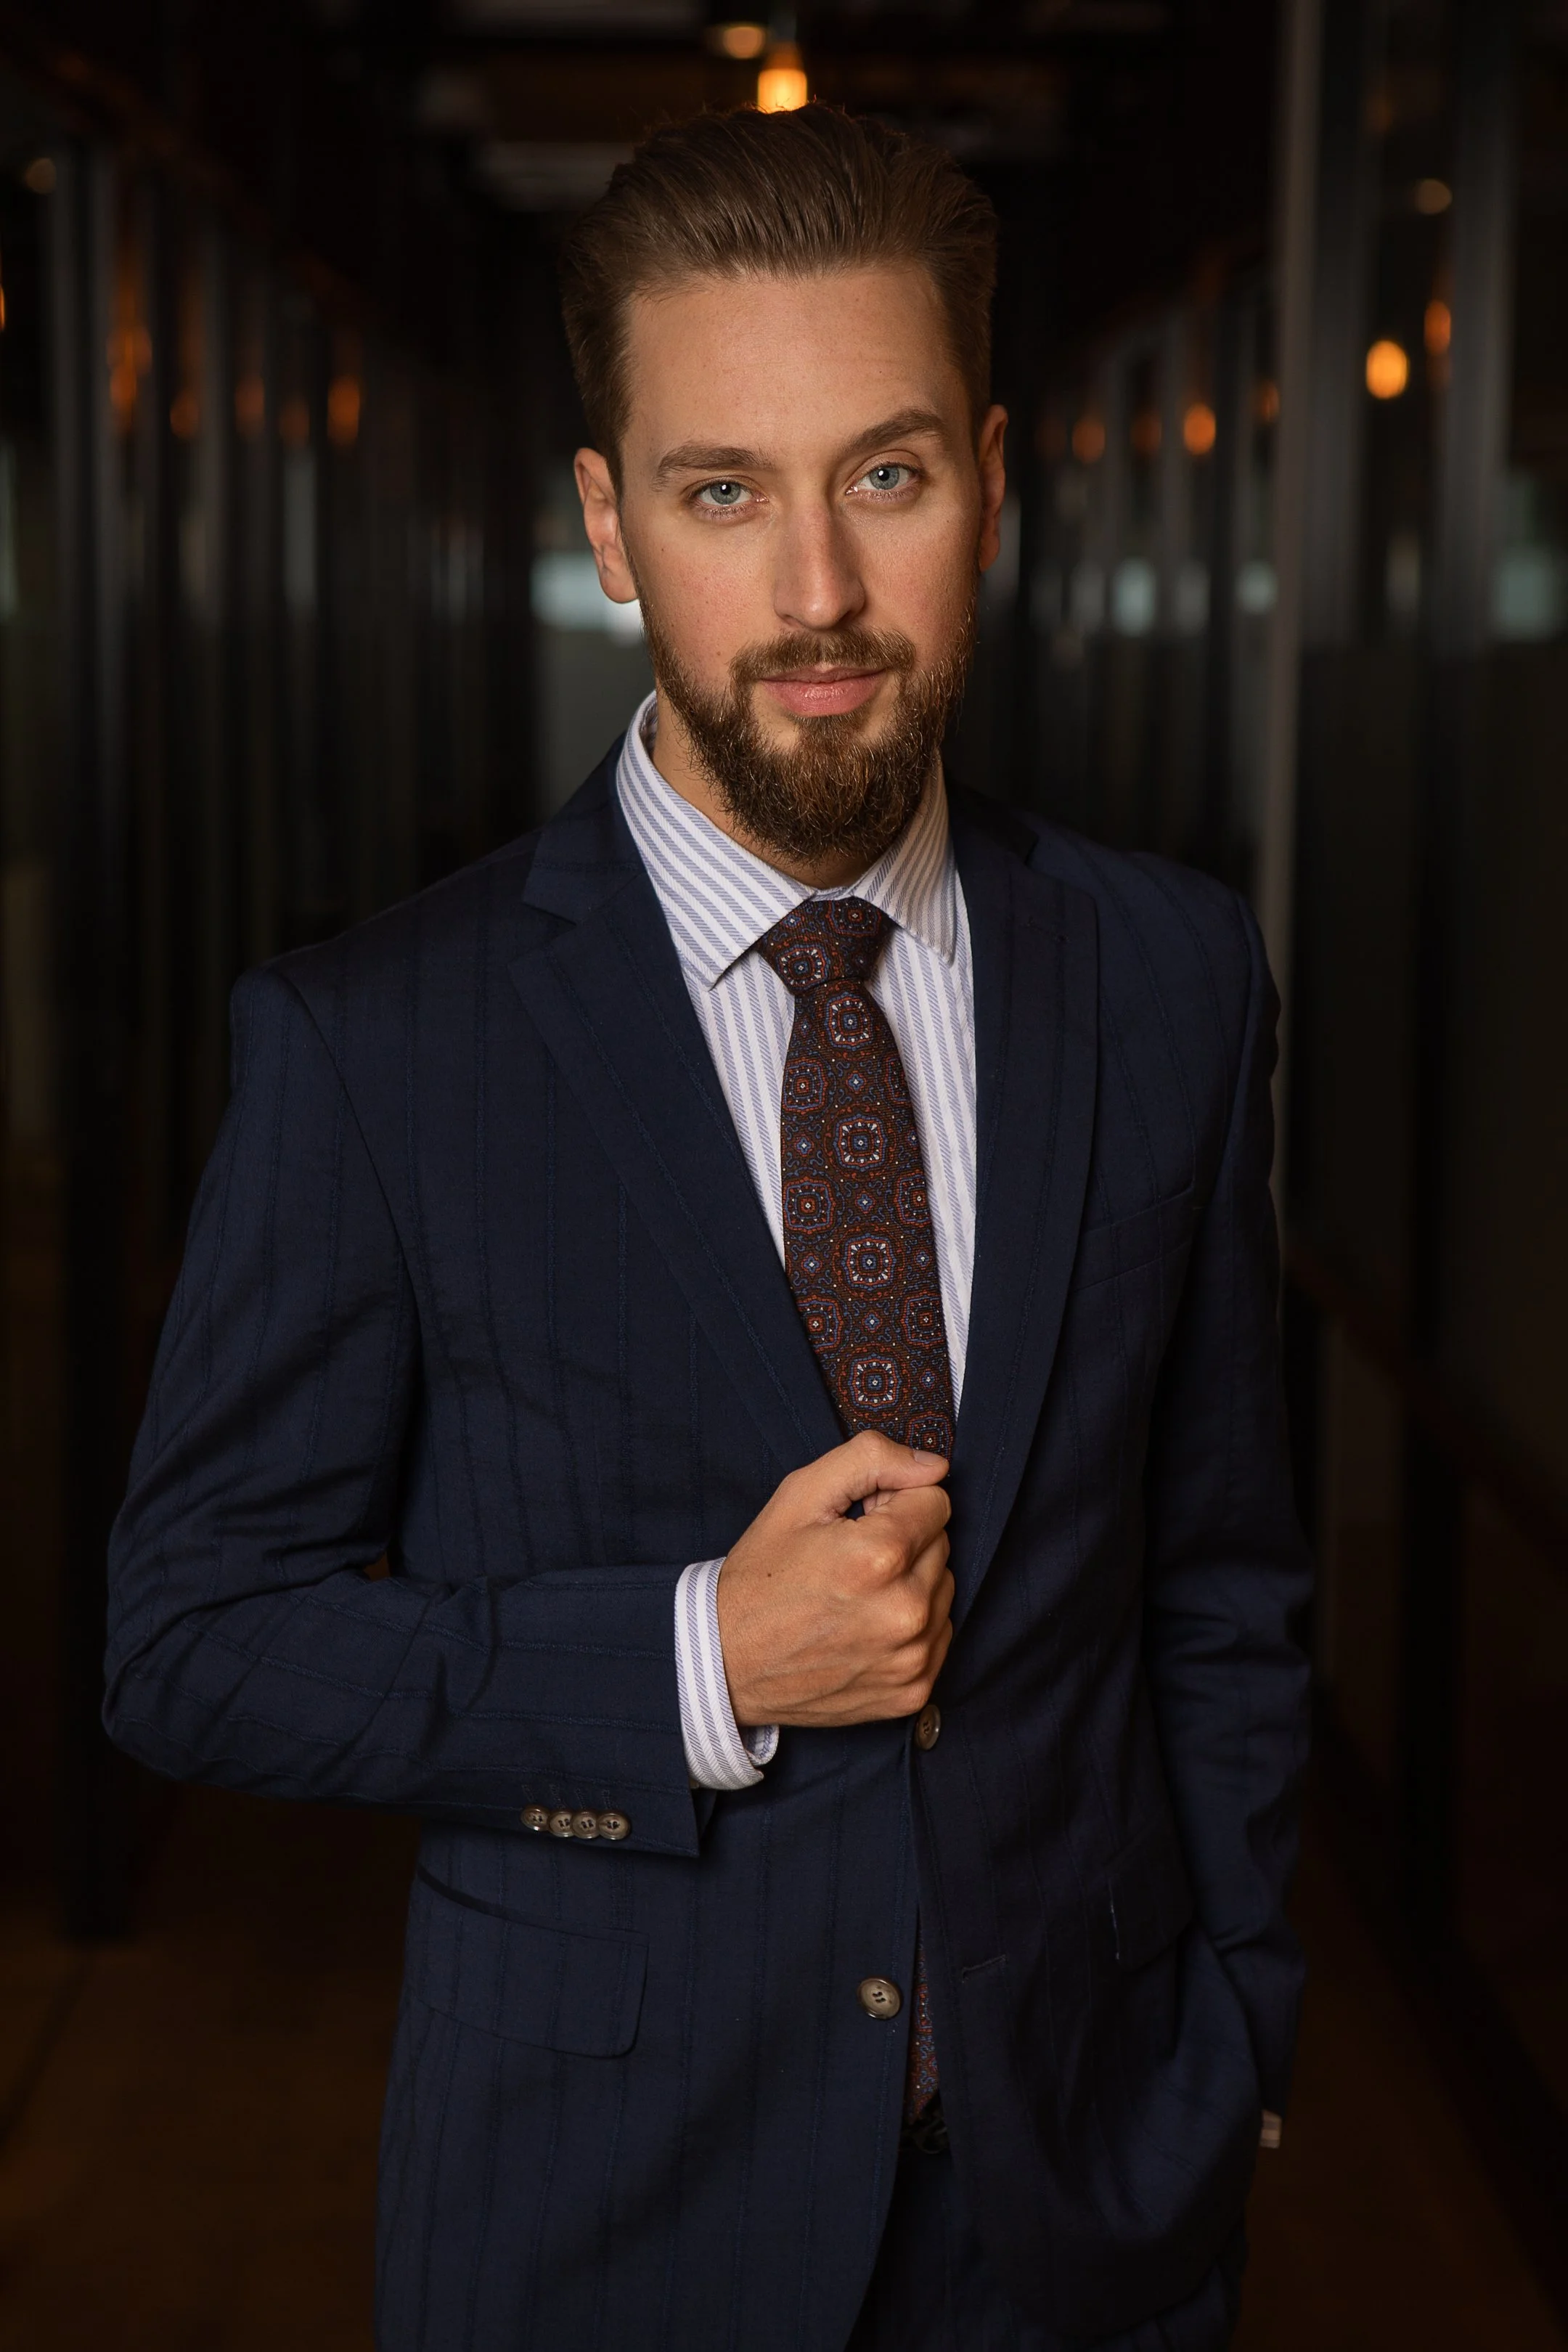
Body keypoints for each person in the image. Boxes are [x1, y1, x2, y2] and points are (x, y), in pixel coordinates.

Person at [105, 103, 1310, 2352]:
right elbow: (188, 1637)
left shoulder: (1170, 977)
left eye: (888, 475)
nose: (821, 597)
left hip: (1091, 2224)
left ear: (996, 480)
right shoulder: (379, 1043)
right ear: (610, 527)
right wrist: (688, 1665)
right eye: (723, 491)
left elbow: (1220, 1575)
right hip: (604, 2232)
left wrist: (1232, 2034)